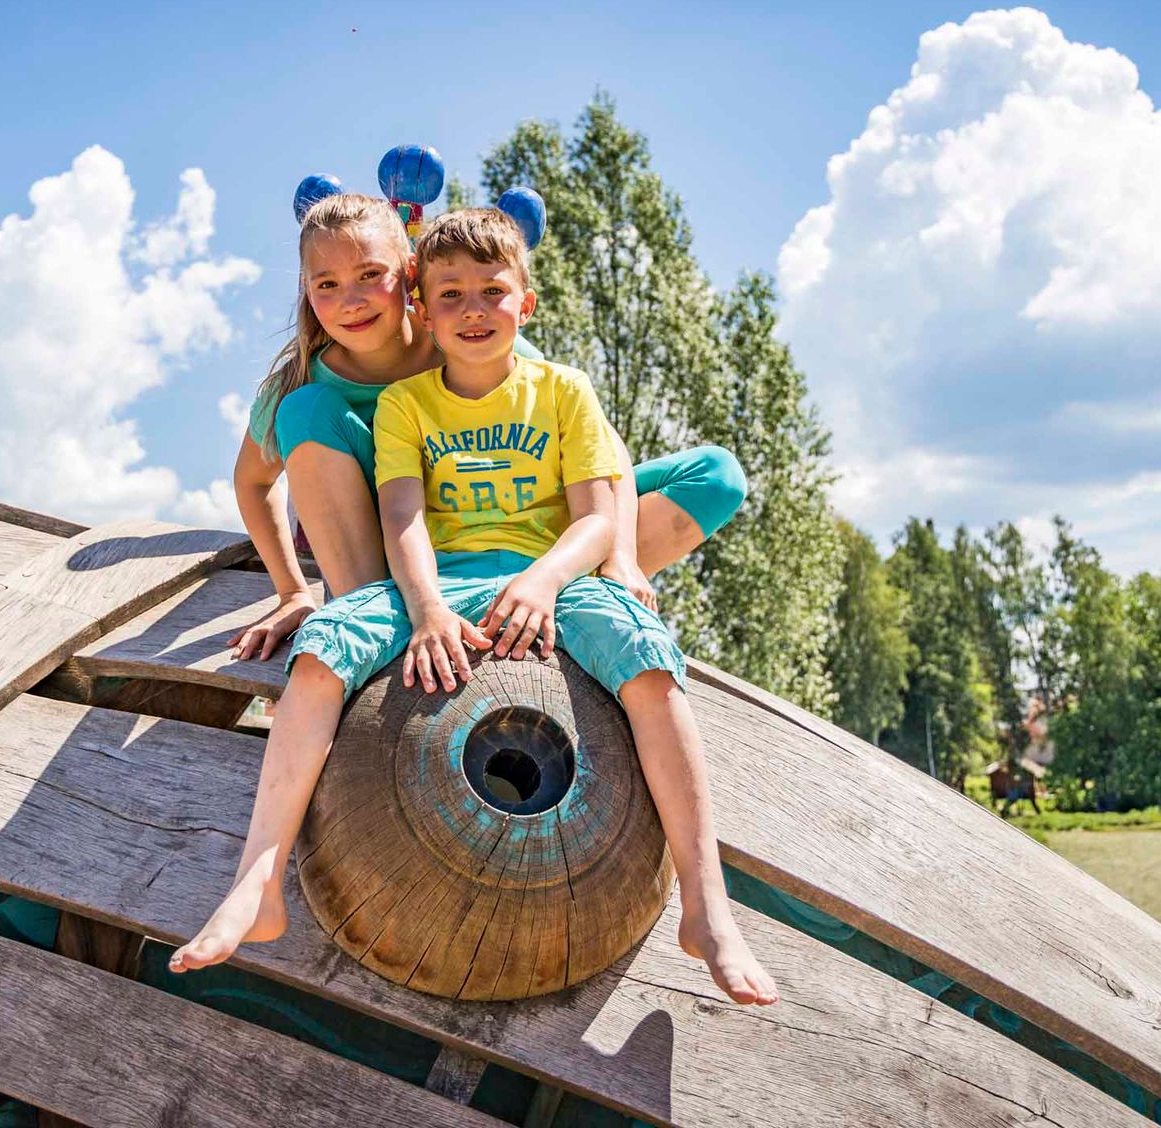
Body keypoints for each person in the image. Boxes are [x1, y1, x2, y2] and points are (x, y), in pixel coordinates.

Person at [173, 208, 778, 1007]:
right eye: (328, 283)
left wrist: (585, 570)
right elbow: (399, 515)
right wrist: (364, 599)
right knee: (322, 650)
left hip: (547, 563)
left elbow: (601, 494)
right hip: (429, 576)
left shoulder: (548, 379)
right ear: (427, 300)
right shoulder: (391, 404)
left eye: (371, 276)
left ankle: (707, 905)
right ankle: (258, 882)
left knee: (649, 661)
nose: (470, 309)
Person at [226, 191, 749, 665]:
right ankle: (379, 628)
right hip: (410, 561)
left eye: (370, 275)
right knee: (304, 410)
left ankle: (548, 596)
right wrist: (294, 592)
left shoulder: (470, 336)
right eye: (327, 285)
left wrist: (622, 557)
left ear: (410, 276)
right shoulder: (297, 383)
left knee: (716, 475)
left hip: (522, 536)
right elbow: (252, 481)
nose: (351, 299)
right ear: (306, 290)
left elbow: (598, 443)